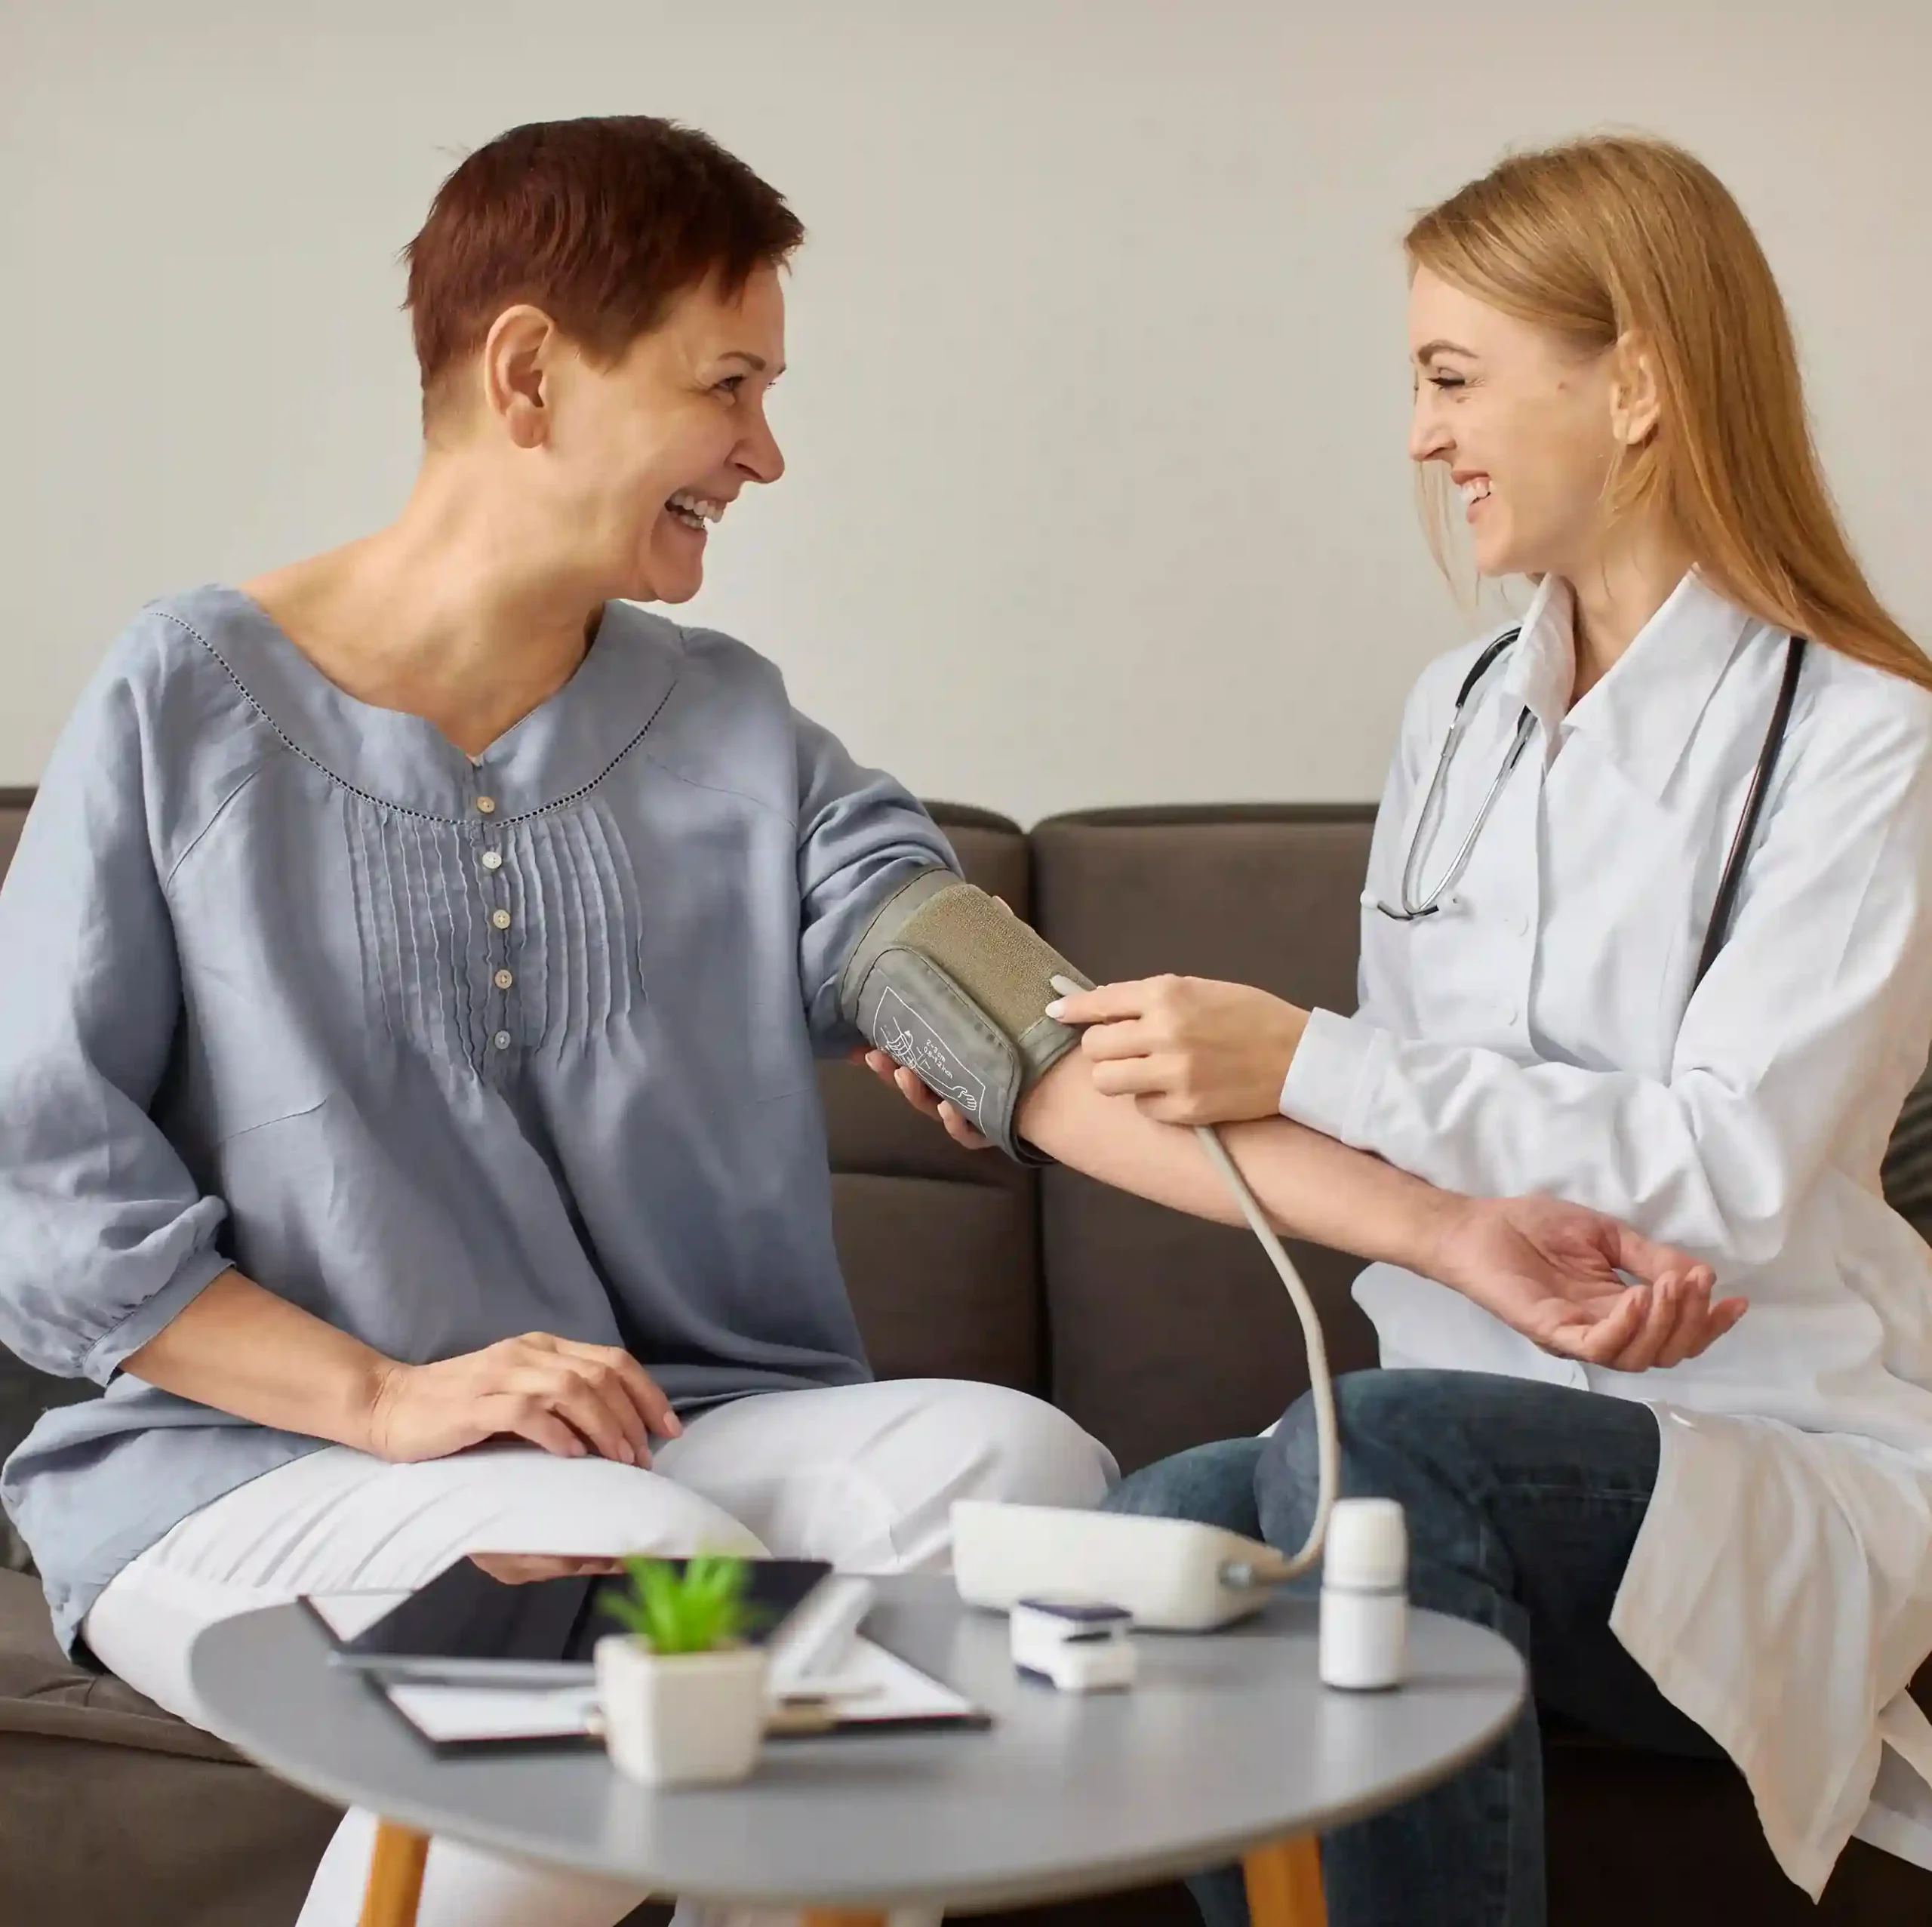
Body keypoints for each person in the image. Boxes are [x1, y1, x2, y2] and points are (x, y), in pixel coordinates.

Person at [0, 118, 1725, 1927]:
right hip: (260, 1462)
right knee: (644, 1582)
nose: (763, 451)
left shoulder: (739, 736)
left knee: (1019, 1477)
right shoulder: (187, 700)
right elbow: (49, 1199)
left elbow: (1043, 1044)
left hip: (651, 1430)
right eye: (724, 385)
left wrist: (1457, 1228)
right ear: (528, 373)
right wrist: (389, 1391)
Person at [999, 134, 1932, 1927]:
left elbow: (1731, 1166)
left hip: (1751, 1449)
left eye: (1450, 378)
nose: (1421, 437)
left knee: (1385, 1464)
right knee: (1157, 1528)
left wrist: (1308, 1057)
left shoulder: (1861, 736)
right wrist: (1068, 1068)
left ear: (1638, 380)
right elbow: (1402, 1142)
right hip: (1466, 1416)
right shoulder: (1456, 712)